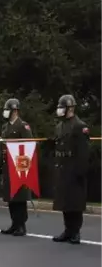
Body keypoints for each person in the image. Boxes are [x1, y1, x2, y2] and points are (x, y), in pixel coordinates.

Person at [52, 94, 90, 245]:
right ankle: (67, 230)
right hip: (63, 167)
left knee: (75, 202)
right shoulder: (60, 125)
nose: (60, 110)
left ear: (70, 108)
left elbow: (84, 151)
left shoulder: (79, 126)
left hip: (74, 169)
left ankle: (75, 232)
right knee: (65, 202)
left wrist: (80, 171)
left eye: (62, 107)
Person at [0, 98, 33, 236]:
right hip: (8, 165)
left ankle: (21, 225)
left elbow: (29, 146)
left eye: (8, 110)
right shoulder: (5, 127)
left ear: (15, 110)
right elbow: (1, 147)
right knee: (11, 197)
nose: (6, 112)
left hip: (19, 166)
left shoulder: (23, 126)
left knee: (20, 197)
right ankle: (14, 223)